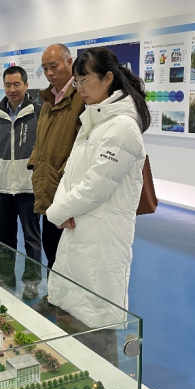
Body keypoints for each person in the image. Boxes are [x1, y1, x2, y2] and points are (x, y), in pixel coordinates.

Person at [45, 46, 150, 332]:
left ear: (107, 78)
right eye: (76, 81)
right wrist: (61, 208)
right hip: (78, 229)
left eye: (84, 80)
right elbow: (71, 175)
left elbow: (95, 187)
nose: (79, 88)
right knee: (74, 317)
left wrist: (56, 212)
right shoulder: (95, 120)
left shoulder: (122, 128)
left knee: (96, 322)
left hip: (102, 239)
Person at [0, 66, 43, 298]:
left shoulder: (38, 113)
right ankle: (6, 276)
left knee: (31, 238)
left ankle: (32, 280)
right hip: (5, 187)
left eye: (17, 84)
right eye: (8, 85)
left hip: (29, 187)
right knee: (5, 238)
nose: (12, 89)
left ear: (26, 85)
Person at [28, 43, 85, 269]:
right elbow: (40, 141)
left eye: (54, 66)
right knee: (51, 253)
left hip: (66, 194)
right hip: (47, 191)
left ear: (70, 63)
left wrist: (63, 176)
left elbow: (83, 150)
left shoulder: (81, 98)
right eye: (45, 68)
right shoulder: (48, 100)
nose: (49, 73)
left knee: (67, 261)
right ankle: (52, 291)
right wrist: (36, 165)